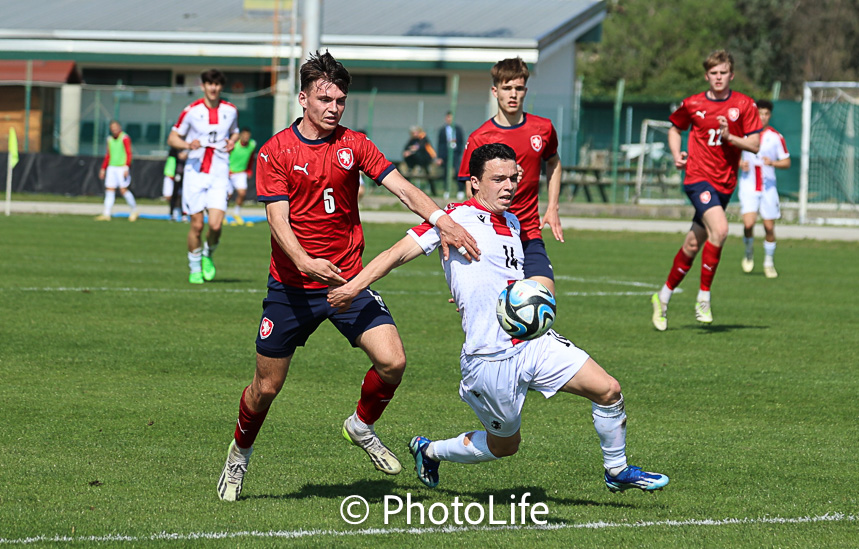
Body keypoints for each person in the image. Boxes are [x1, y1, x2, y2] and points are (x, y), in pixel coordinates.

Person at [216, 51, 481, 502]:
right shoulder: (275, 151)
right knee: (266, 388)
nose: (334, 107)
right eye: (324, 98)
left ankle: (360, 425)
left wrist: (442, 219)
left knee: (393, 361)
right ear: (303, 98)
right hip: (292, 287)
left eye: (340, 99)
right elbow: (278, 222)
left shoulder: (354, 144)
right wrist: (303, 262)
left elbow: (400, 187)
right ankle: (239, 455)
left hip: (347, 282)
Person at [328, 143, 669, 493]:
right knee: (505, 445)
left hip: (532, 343)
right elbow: (395, 254)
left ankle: (616, 470)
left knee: (608, 389)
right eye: (498, 179)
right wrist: (352, 288)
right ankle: (429, 451)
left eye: (513, 178)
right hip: (488, 356)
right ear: (475, 182)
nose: (509, 186)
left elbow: (504, 279)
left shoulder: (512, 221)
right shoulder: (453, 217)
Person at [651, 50, 761, 330]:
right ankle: (704, 298)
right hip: (698, 178)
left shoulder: (744, 105)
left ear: (731, 75)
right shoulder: (693, 103)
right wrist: (677, 154)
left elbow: (755, 144)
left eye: (723, 72)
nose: (719, 77)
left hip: (725, 184)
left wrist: (730, 137)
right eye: (714, 73)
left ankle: (662, 298)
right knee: (721, 230)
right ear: (707, 76)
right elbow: (675, 128)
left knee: (692, 244)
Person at [459, 57, 564, 297]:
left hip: (529, 231)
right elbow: (471, 190)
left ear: (525, 90)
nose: (513, 94)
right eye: (507, 88)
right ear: (495, 91)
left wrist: (553, 206)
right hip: (494, 236)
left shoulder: (543, 128)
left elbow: (554, 162)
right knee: (491, 307)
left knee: (544, 299)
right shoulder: (480, 138)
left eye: (518, 88)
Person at [168, 69, 239, 285]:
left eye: (217, 84)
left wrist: (232, 141)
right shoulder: (191, 111)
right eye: (209, 84)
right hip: (195, 173)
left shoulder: (231, 110)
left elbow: (234, 132)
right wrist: (188, 144)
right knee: (197, 226)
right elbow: (173, 137)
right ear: (203, 86)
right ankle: (194, 267)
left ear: (220, 87)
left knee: (216, 225)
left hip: (219, 173)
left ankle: (207, 254)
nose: (213, 88)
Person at [737, 100, 790, 278]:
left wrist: (773, 162)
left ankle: (768, 262)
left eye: (766, 114)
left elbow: (787, 161)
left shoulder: (776, 137)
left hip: (768, 188)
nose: (763, 117)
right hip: (749, 185)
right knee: (748, 224)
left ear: (770, 116)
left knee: (769, 228)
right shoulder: (743, 134)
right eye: (760, 113)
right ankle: (749, 250)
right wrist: (739, 163)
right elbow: (730, 155)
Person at [95, 120, 138, 222]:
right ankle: (106, 213)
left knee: (123, 190)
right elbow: (108, 155)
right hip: (112, 167)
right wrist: (103, 168)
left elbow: (128, 153)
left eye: (115, 127)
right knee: (109, 190)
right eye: (112, 127)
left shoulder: (125, 138)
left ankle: (134, 211)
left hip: (121, 167)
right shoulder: (109, 139)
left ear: (119, 127)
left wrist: (126, 166)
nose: (114, 129)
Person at [227, 126, 257, 225]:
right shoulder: (234, 145)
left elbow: (251, 157)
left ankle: (236, 213)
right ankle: (222, 214)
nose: (246, 137)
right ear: (240, 135)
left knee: (242, 193)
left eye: (248, 136)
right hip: (229, 173)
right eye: (244, 135)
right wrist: (227, 170)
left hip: (241, 172)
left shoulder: (252, 144)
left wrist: (249, 170)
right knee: (228, 195)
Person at [402, 126, 438, 194]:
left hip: (424, 159)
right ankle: (405, 189)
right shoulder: (412, 140)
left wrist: (411, 151)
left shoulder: (423, 138)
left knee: (428, 175)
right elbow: (406, 148)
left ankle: (434, 191)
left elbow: (420, 147)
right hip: (415, 161)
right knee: (408, 173)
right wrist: (407, 152)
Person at [436, 111, 465, 197]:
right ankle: (446, 190)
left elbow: (461, 141)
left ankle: (460, 190)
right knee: (446, 172)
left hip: (455, 153)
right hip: (446, 153)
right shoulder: (442, 130)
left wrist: (458, 150)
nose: (449, 119)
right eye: (448, 117)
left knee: (457, 171)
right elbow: (440, 144)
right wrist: (440, 156)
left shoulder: (458, 129)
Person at [162, 147, 188, 222]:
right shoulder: (174, 150)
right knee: (171, 195)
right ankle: (173, 212)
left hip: (182, 174)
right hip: (172, 173)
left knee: (182, 195)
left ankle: (182, 213)